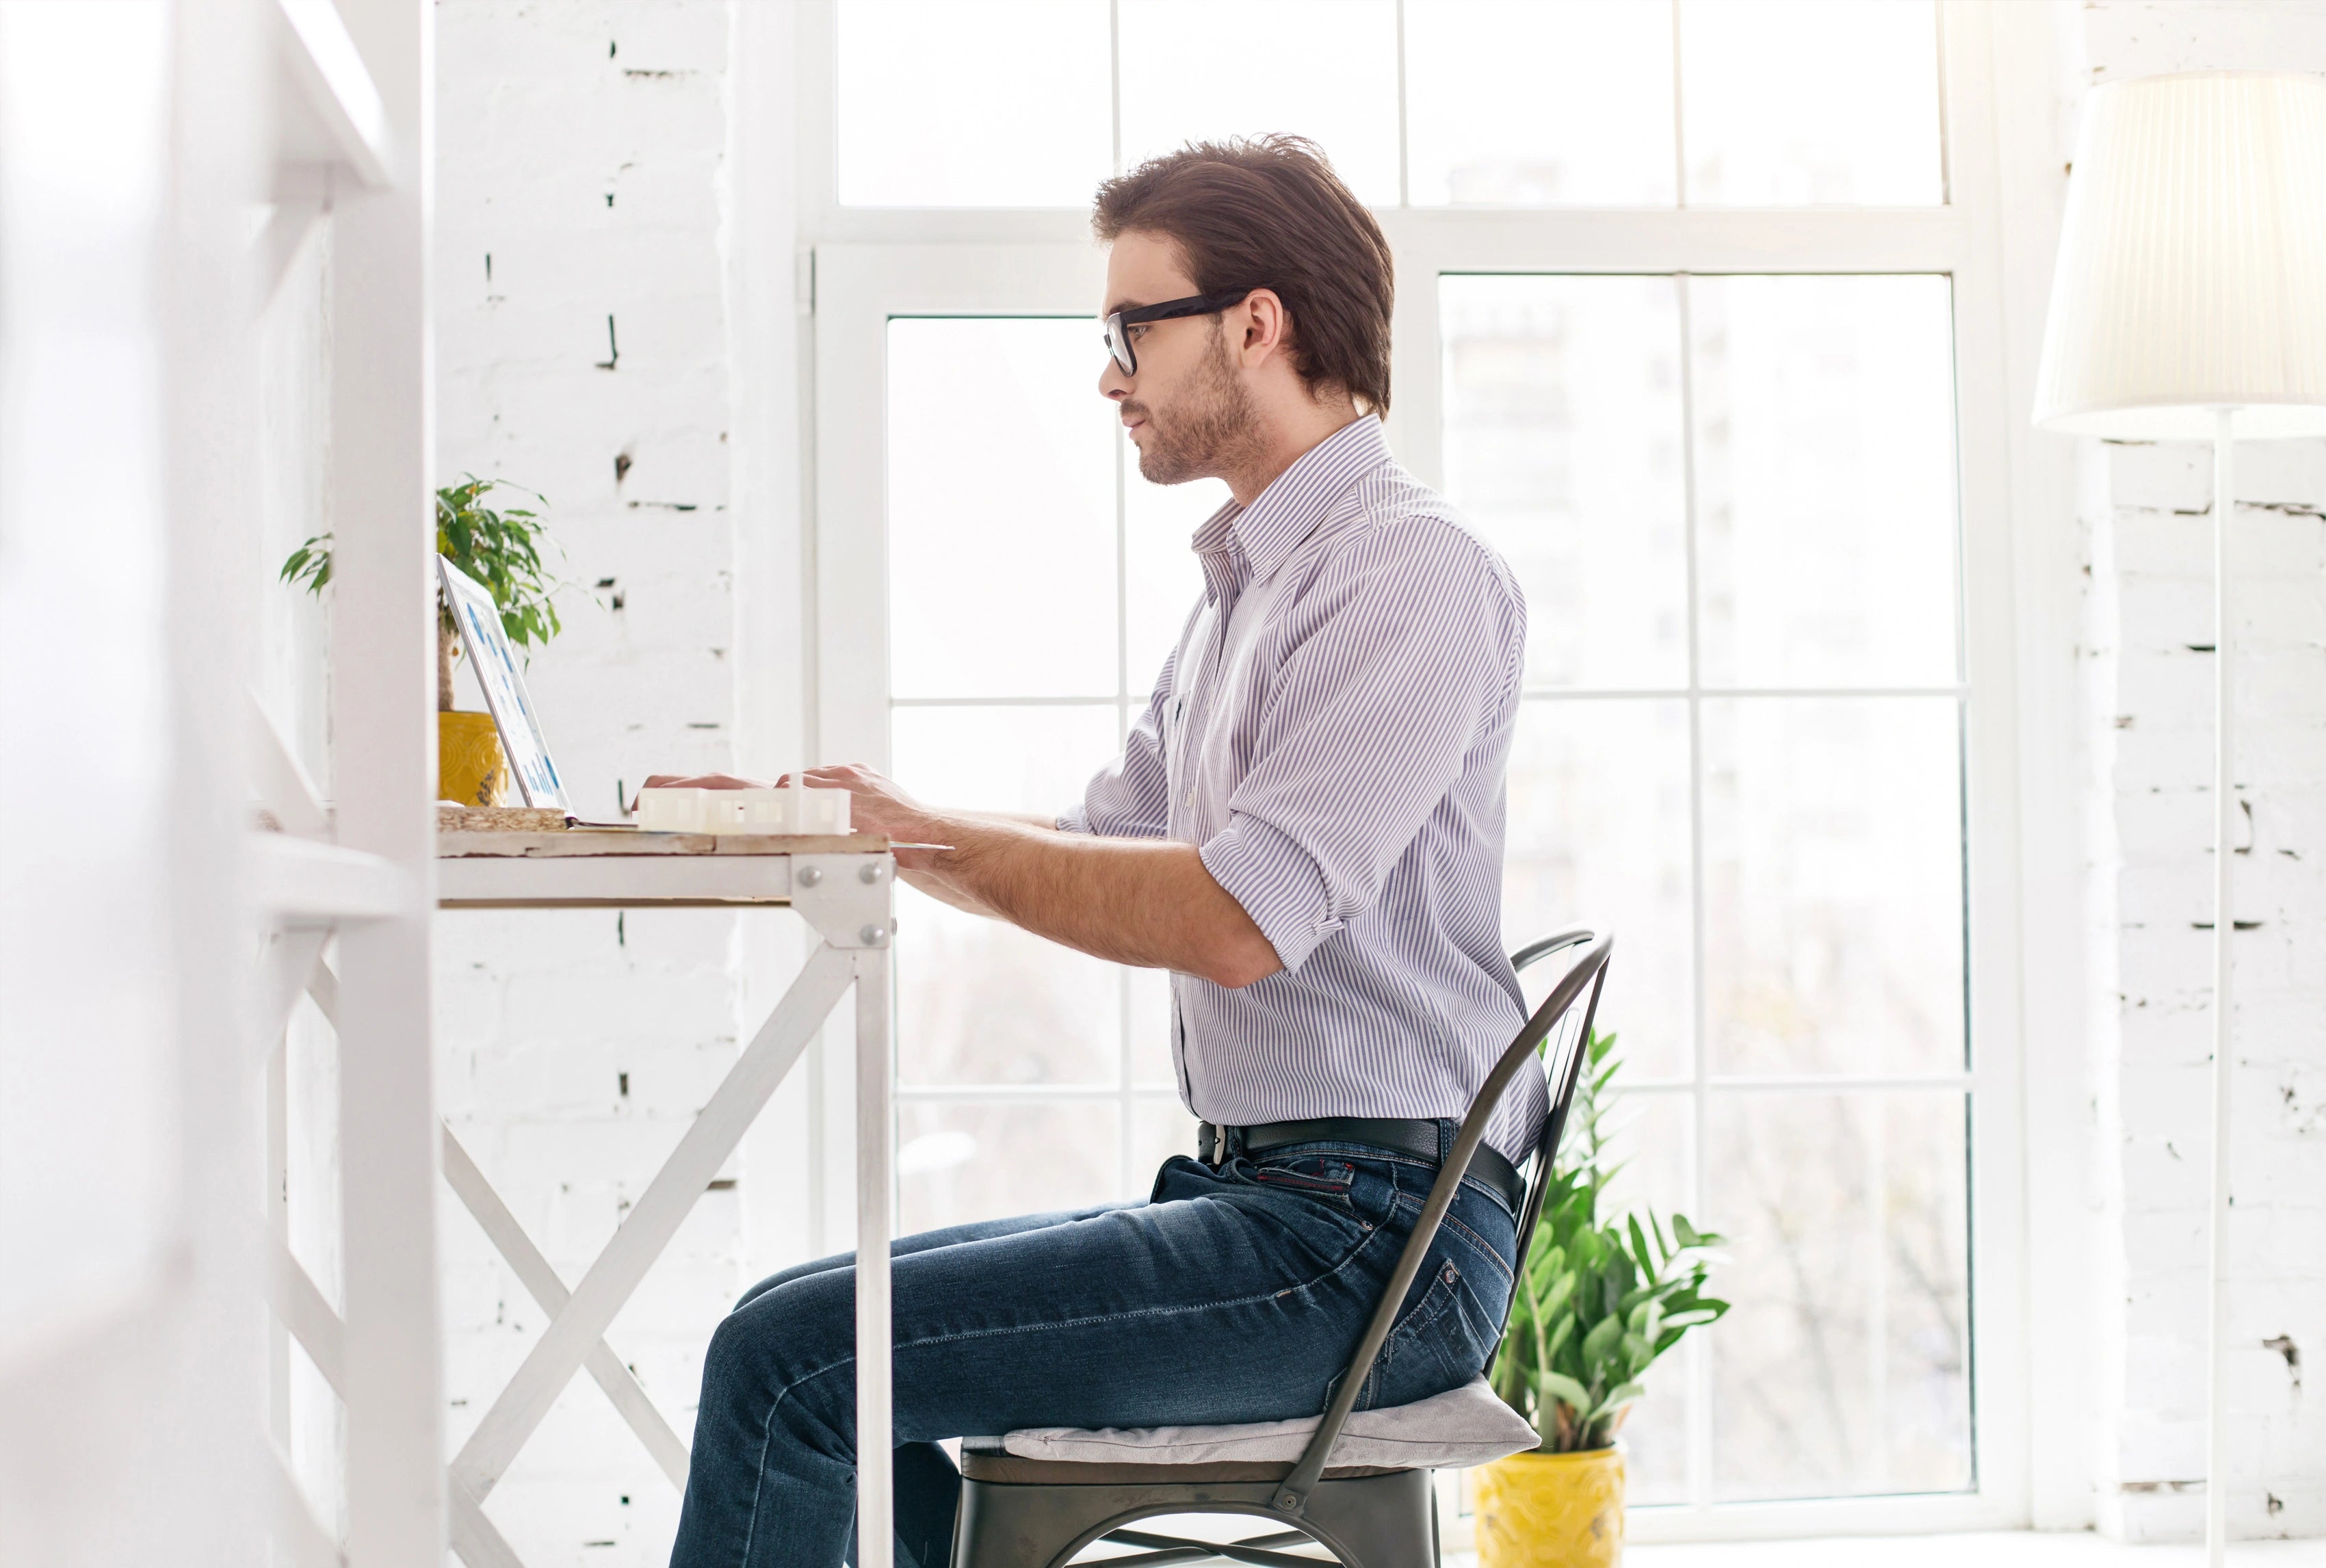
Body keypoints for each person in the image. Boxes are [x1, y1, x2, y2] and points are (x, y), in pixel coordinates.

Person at [662, 135, 1532, 1568]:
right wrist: (851, 825)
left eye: (1132, 327)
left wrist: (925, 835)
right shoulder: (1252, 581)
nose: (1107, 372)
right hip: (1289, 1210)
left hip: (1368, 1254)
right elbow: (1114, 840)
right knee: (808, 1335)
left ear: (1256, 325)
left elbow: (1231, 922)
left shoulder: (1405, 574)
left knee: (794, 1363)